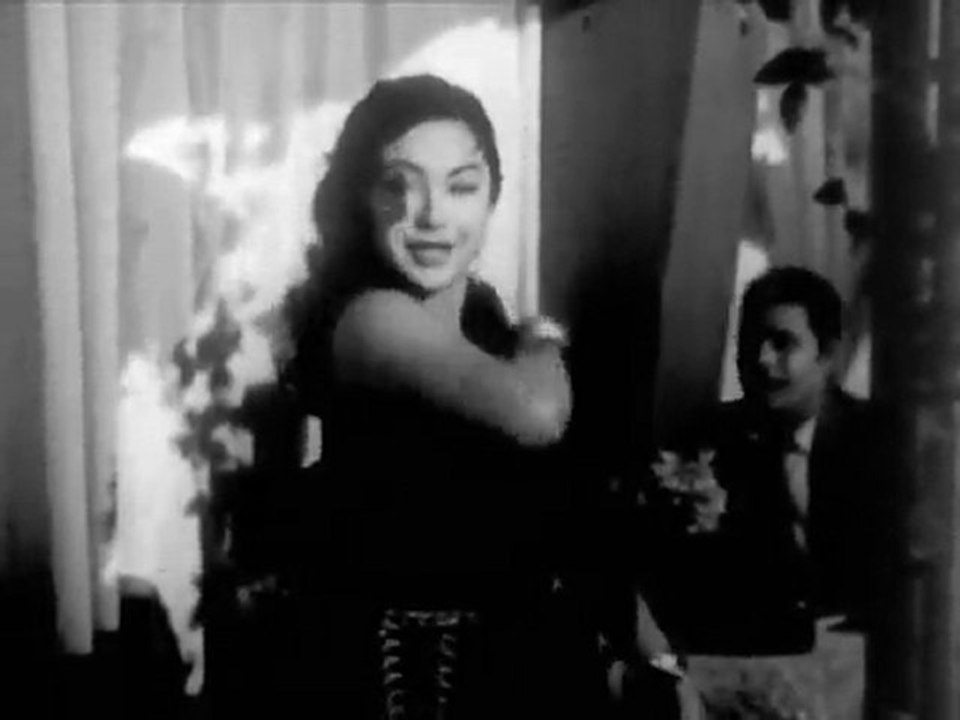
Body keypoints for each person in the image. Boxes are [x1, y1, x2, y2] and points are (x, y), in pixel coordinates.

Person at [281, 74, 604, 719]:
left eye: (461, 186)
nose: (431, 215)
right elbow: (539, 416)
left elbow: (558, 499)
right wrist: (542, 338)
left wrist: (649, 650)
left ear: (492, 198)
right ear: (361, 198)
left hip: (509, 659)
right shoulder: (371, 317)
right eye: (398, 185)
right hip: (398, 681)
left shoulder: (480, 310)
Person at [642, 266, 886, 719]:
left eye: (782, 343)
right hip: (752, 675)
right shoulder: (711, 440)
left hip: (858, 676)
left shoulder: (878, 442)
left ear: (828, 353)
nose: (761, 359)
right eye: (750, 341)